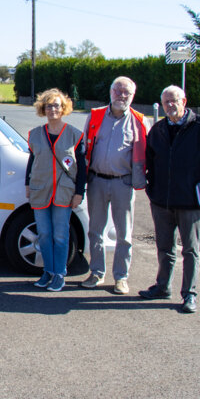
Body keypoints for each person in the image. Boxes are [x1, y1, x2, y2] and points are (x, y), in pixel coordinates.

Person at [139, 85, 200, 313]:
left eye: (174, 100)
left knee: (190, 250)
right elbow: (151, 162)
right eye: (166, 102)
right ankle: (162, 286)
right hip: (162, 201)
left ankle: (189, 294)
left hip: (190, 201)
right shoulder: (158, 130)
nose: (170, 105)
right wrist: (152, 190)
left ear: (184, 102)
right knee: (164, 247)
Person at [80, 76, 151, 295]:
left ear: (133, 96)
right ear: (110, 92)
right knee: (95, 231)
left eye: (126, 92)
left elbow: (148, 154)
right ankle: (96, 273)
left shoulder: (140, 121)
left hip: (123, 183)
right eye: (117, 91)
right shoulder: (95, 116)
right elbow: (84, 147)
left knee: (124, 234)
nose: (121, 95)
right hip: (97, 181)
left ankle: (121, 277)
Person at [25, 88, 86, 292]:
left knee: (60, 235)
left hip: (64, 192)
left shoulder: (74, 135)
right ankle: (48, 272)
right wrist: (27, 185)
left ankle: (59, 273)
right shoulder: (35, 134)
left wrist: (79, 193)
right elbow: (32, 161)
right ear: (43, 108)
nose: (53, 109)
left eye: (57, 105)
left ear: (63, 108)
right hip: (40, 189)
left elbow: (82, 167)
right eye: (49, 105)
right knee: (44, 234)